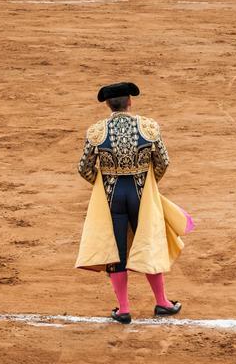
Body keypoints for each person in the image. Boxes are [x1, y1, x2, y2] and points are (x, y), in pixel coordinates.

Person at [77, 82, 182, 323]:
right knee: (149, 242)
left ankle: (124, 309)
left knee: (117, 251)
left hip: (113, 195)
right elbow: (163, 162)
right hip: (141, 193)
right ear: (130, 102)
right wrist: (150, 183)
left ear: (108, 105)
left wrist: (103, 184)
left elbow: (84, 168)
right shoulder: (148, 127)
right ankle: (163, 302)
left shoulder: (97, 131)